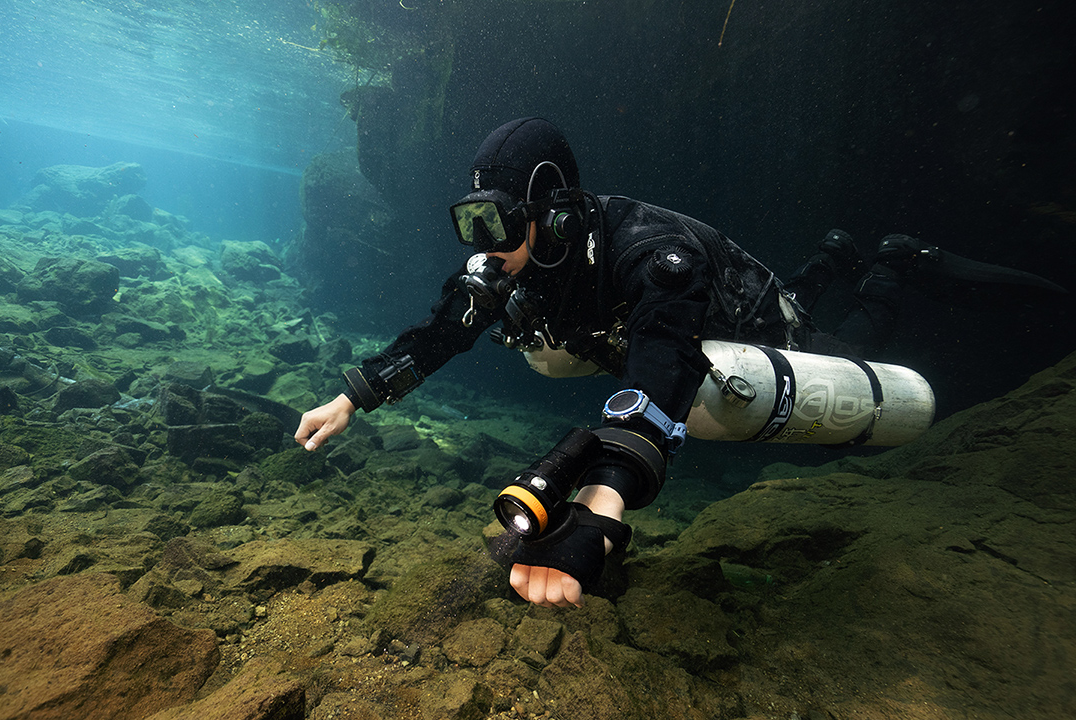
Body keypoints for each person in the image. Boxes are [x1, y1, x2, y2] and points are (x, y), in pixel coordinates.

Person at [294, 117, 1063, 609]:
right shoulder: (508, 262)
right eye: (472, 221)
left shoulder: (651, 254)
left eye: (498, 220)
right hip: (647, 333)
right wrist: (349, 398)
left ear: (554, 213)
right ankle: (830, 257)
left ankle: (890, 270)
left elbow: (662, 371)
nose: (483, 243)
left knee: (833, 363)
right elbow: (441, 332)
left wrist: (598, 512)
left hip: (747, 327)